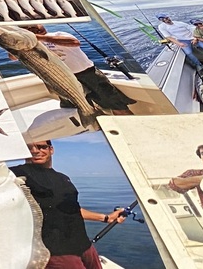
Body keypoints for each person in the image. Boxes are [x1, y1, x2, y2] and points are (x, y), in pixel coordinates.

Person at [12, 140, 128, 269]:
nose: (35, 151)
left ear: (51, 149)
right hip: (56, 252)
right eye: (29, 148)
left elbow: (72, 209)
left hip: (84, 245)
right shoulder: (18, 174)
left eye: (41, 147)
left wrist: (106, 218)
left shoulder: (63, 177)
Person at [28, 25, 134, 114]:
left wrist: (40, 38)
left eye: (30, 29)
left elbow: (75, 42)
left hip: (87, 74)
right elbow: (14, 57)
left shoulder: (57, 34)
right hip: (61, 79)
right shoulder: (31, 45)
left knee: (115, 104)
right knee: (72, 108)